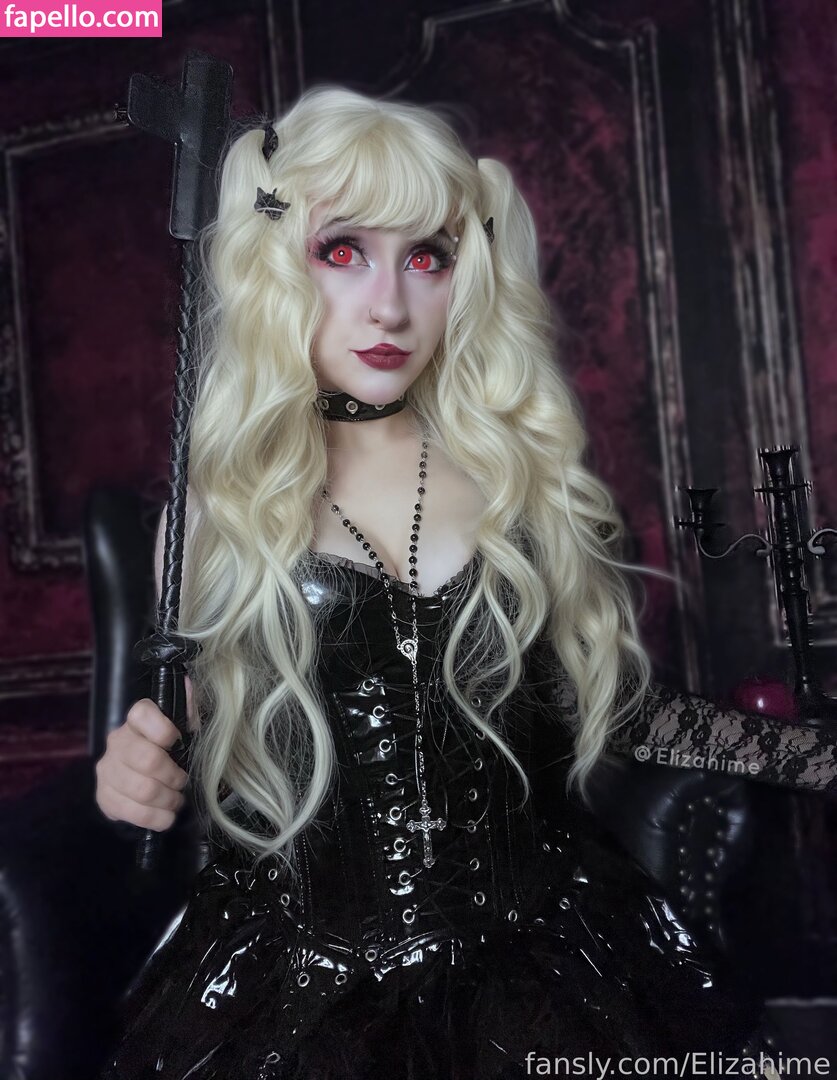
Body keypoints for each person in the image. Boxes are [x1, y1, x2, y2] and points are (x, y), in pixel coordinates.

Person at [95, 86, 836, 1079]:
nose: (390, 306)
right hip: (297, 981)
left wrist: (812, 756)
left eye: (427, 259)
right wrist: (128, 774)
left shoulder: (512, 480)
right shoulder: (218, 512)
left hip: (547, 952)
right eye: (342, 251)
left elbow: (599, 707)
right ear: (276, 261)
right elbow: (176, 730)